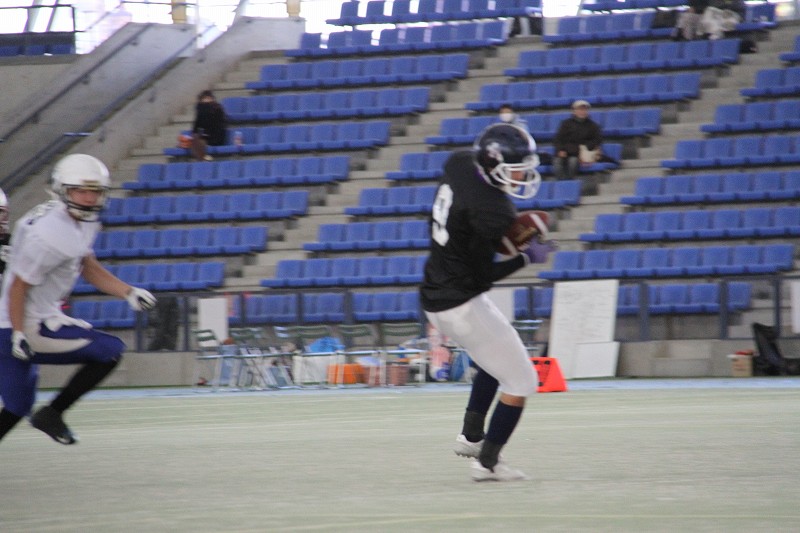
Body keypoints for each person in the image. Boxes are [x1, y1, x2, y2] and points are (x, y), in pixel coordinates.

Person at [420, 123, 557, 482]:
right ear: (494, 165)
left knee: (494, 359)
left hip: (437, 294)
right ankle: (487, 464)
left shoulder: (460, 161)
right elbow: (483, 277)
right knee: (522, 381)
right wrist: (525, 257)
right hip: (461, 303)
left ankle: (471, 436)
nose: (523, 176)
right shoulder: (492, 211)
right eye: (516, 169)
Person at [0, 154, 156, 445]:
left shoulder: (75, 221)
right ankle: (53, 413)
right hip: (19, 324)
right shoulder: (49, 234)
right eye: (80, 191)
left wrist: (128, 291)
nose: (88, 198)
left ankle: (50, 414)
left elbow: (86, 264)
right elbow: (18, 286)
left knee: (16, 406)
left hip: (20, 320)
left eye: (94, 191)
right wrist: (19, 332)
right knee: (110, 350)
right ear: (63, 190)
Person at [552, 100, 603, 181]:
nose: (582, 112)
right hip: (565, 152)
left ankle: (569, 182)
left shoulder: (593, 126)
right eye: (580, 109)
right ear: (574, 111)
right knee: (557, 162)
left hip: (579, 154)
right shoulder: (565, 124)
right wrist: (560, 150)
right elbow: (558, 139)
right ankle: (561, 182)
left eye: (584, 110)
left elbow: (597, 140)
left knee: (573, 162)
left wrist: (585, 147)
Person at [191, 89, 228, 161]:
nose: (206, 100)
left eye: (208, 98)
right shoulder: (200, 111)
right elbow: (196, 127)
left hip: (217, 137)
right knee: (194, 140)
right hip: (206, 137)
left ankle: (202, 159)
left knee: (199, 142)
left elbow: (218, 127)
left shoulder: (217, 109)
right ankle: (203, 159)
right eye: (204, 99)